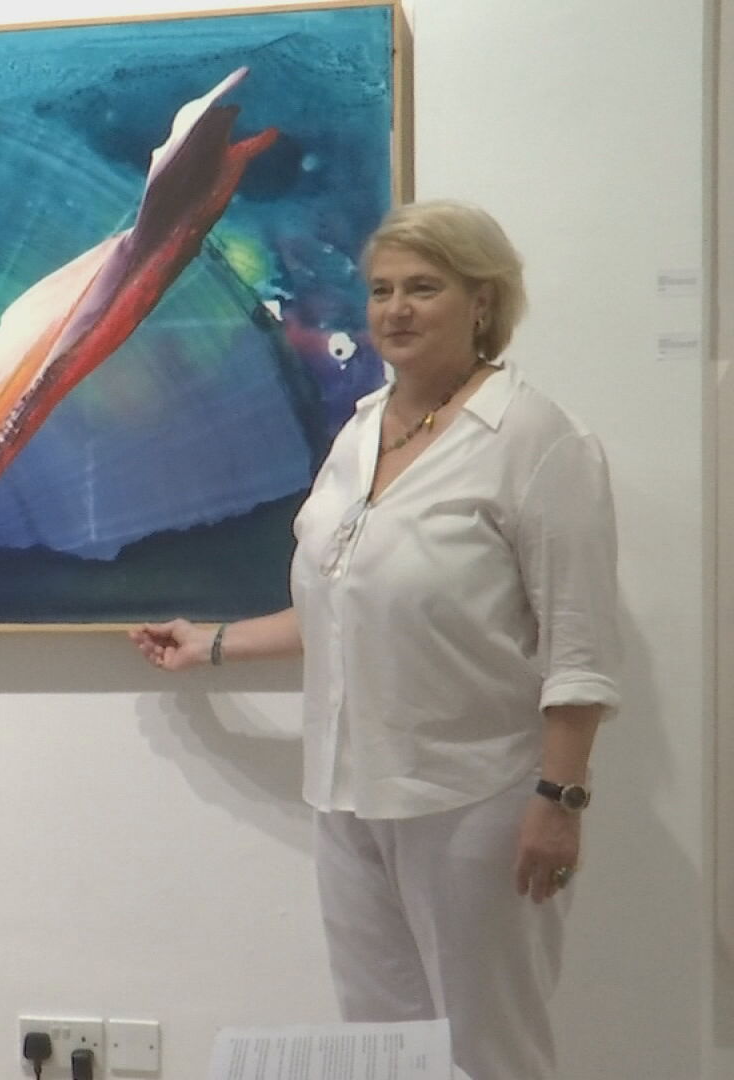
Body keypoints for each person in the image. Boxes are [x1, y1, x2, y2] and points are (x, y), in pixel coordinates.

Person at [129, 200, 617, 1080]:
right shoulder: (361, 431)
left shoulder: (537, 440)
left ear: (482, 301)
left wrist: (560, 798)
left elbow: (580, 646)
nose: (395, 309)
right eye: (382, 289)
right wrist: (212, 644)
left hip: (477, 799)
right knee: (383, 1051)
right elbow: (341, 606)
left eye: (423, 288)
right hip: (348, 794)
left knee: (491, 1053)